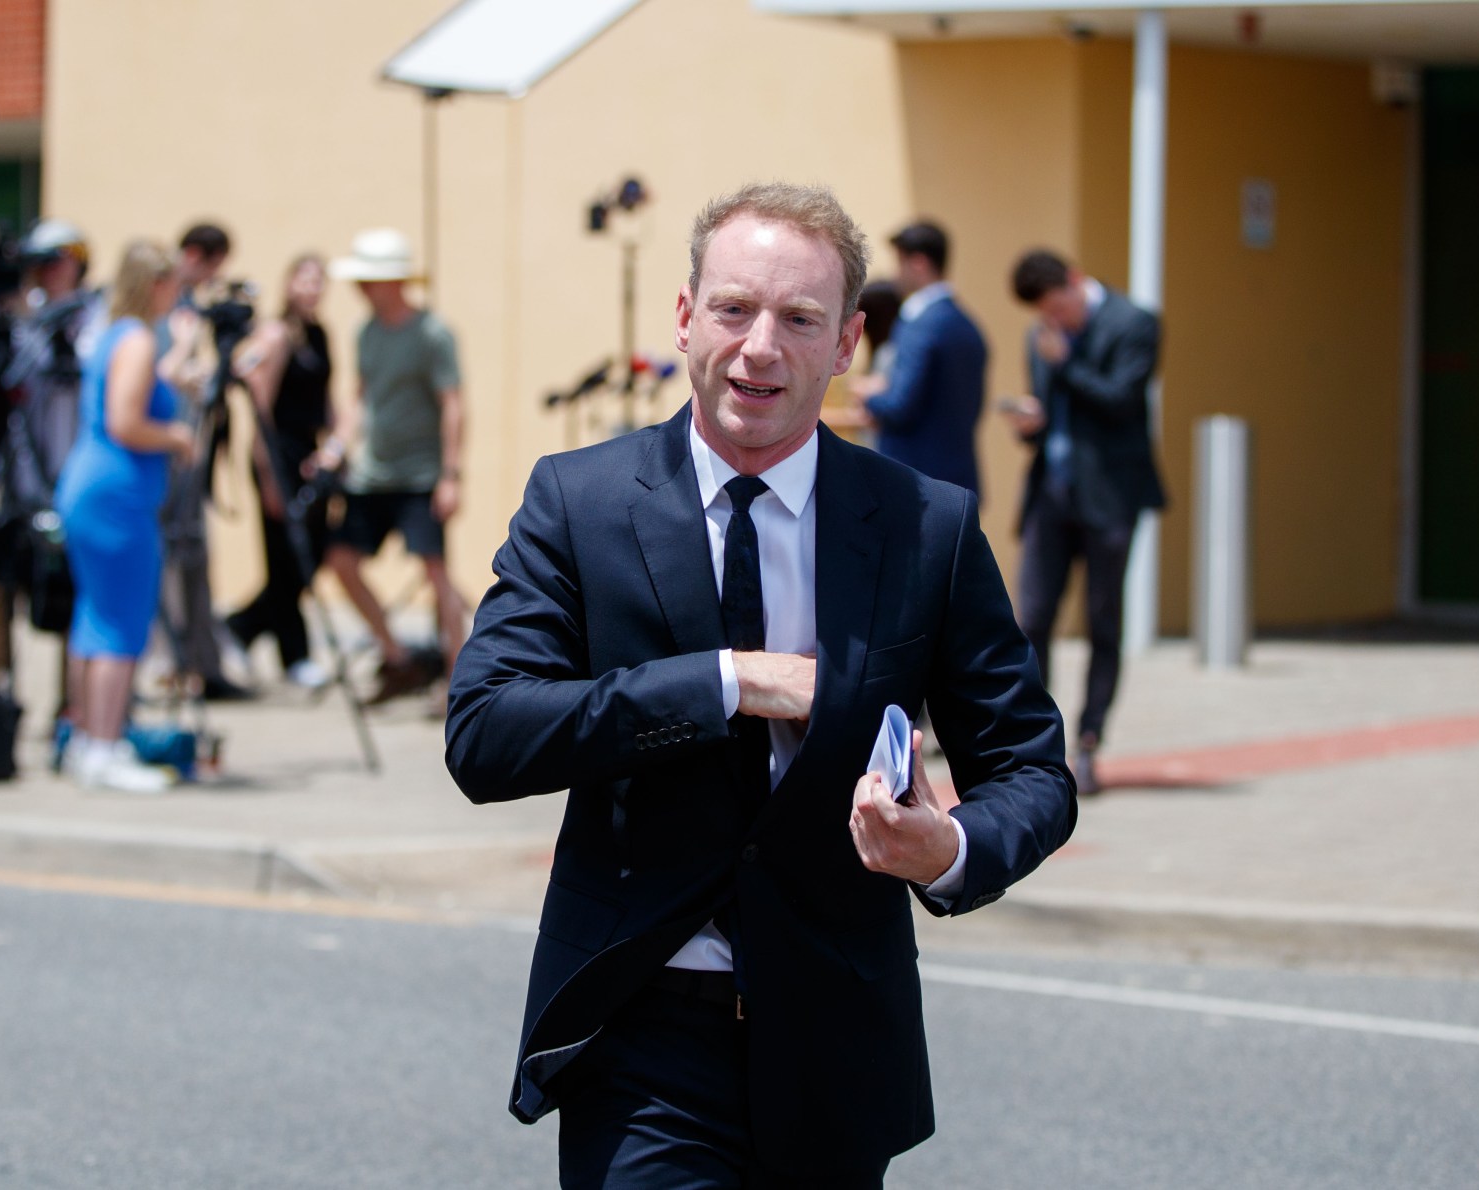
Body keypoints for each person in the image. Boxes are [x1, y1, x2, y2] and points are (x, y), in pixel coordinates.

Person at [445, 182, 1075, 1186]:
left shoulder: (927, 526)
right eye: (735, 308)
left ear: (849, 342)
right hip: (641, 1036)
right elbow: (484, 732)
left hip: (835, 1039)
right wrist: (726, 681)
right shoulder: (580, 501)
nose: (760, 347)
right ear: (687, 314)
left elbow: (1034, 769)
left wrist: (946, 845)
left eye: (800, 318)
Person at [1001, 248, 1166, 795]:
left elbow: (1121, 400)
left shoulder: (1133, 322)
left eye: (1058, 307)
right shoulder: (1042, 336)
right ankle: (1035, 746)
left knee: (1102, 622)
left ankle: (1090, 742)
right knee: (1033, 620)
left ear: (1075, 281)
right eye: (1044, 314)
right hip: (1051, 492)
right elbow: (1054, 413)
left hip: (1110, 497)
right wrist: (1030, 424)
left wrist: (1066, 362)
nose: (1055, 320)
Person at [54, 240, 195, 794]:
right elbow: (125, 421)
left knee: (93, 619)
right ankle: (108, 747)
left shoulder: (118, 335)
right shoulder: (136, 338)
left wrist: (179, 357)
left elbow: (144, 385)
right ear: (155, 284)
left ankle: (87, 741)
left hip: (90, 490)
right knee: (121, 624)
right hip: (118, 498)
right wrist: (178, 435)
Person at [326, 228, 468, 706]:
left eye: (370, 279)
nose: (362, 288)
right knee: (341, 562)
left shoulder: (432, 334)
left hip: (420, 476)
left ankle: (458, 679)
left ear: (394, 281)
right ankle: (397, 656)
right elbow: (361, 398)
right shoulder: (365, 332)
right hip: (371, 474)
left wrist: (450, 475)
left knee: (435, 573)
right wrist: (336, 446)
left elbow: (453, 403)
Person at [0, 218, 99, 687]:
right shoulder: (19, 324)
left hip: (71, 481)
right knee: (2, 586)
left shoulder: (92, 321)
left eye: (56, 262)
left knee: (70, 599)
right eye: (39, 264)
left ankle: (71, 706)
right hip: (18, 479)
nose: (47, 273)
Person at [225, 253, 336, 691]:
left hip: (310, 456)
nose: (311, 288)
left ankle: (241, 625)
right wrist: (269, 476)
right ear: (289, 283)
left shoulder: (319, 334)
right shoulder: (275, 335)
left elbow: (324, 400)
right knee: (286, 557)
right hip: (278, 457)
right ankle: (295, 654)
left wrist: (333, 448)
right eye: (304, 279)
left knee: (311, 556)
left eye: (319, 280)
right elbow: (261, 412)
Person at [154, 221, 253, 701]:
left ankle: (200, 664)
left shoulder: (185, 304)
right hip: (164, 449)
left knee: (192, 556)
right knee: (171, 558)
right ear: (197, 255)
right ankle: (177, 663)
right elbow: (167, 371)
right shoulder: (169, 302)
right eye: (214, 265)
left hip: (182, 446)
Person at [851, 220, 988, 498]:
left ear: (918, 264)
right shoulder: (969, 326)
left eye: (899, 263)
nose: (895, 274)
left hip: (915, 483)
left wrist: (868, 394)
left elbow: (899, 406)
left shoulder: (919, 323)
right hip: (958, 480)